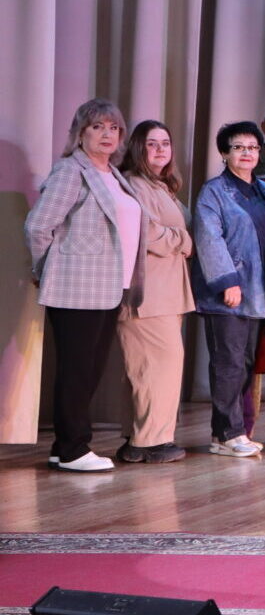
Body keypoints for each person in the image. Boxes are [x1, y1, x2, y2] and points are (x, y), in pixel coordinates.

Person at [26, 100, 145, 471]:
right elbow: (38, 225)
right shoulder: (71, 171)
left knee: (90, 370)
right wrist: (45, 268)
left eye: (114, 127)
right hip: (76, 286)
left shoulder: (114, 174)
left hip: (110, 286)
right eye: (97, 127)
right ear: (80, 133)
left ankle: (63, 447)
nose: (107, 134)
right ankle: (74, 449)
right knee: (77, 369)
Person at [109, 120, 194, 464]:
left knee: (152, 367)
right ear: (137, 148)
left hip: (166, 292)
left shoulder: (160, 186)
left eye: (165, 143)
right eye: (152, 143)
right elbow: (145, 231)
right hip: (147, 296)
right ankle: (150, 441)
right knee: (156, 367)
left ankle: (139, 439)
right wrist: (184, 240)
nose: (160, 149)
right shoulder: (133, 183)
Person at [192, 122, 265, 458]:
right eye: (238, 147)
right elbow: (208, 238)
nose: (247, 153)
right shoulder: (213, 192)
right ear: (224, 153)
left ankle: (232, 431)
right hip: (227, 293)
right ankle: (226, 433)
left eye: (253, 148)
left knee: (245, 364)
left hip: (258, 292)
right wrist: (227, 281)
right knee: (228, 364)